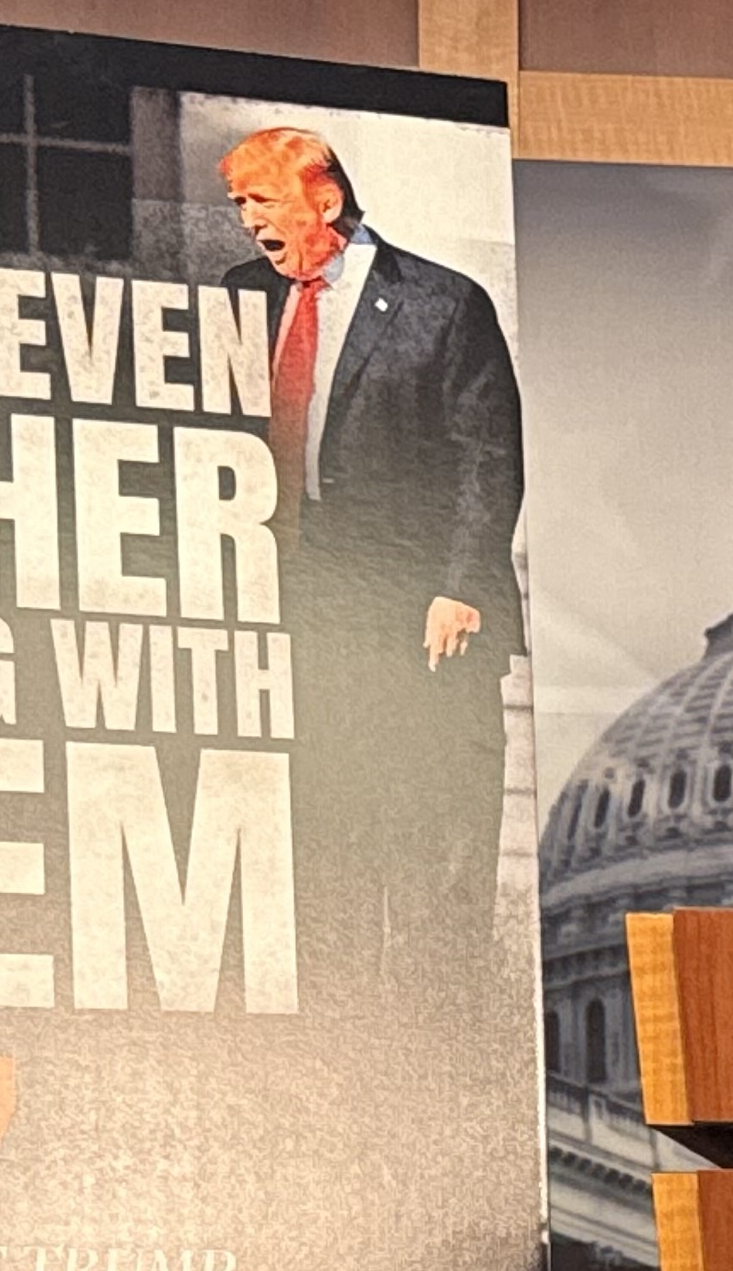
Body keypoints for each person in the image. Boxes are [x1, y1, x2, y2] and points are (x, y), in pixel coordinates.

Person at [217, 125, 524, 1002]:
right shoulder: (238, 300)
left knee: (430, 836)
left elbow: (486, 456)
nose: (247, 222)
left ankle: (436, 1039)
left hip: (416, 615)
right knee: (323, 830)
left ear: (325, 199)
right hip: (294, 609)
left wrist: (461, 585)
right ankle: (338, 1034)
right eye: (239, 204)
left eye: (261, 199)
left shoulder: (442, 302)